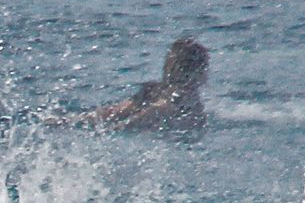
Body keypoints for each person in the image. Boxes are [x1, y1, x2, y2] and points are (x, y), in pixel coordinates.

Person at [78, 37, 210, 134]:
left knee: (107, 115)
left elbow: (114, 112)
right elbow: (160, 109)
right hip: (163, 130)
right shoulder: (186, 100)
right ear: (199, 72)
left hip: (151, 111)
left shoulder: (154, 90)